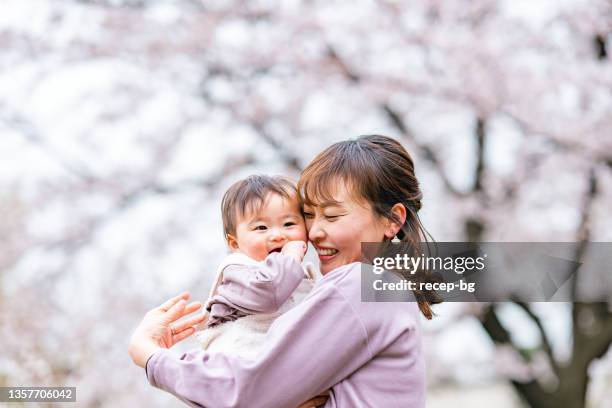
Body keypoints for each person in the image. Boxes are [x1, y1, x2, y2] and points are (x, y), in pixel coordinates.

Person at [129, 135, 438, 407]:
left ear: (392, 220)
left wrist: (150, 355)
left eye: (332, 215)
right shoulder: (389, 289)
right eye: (308, 215)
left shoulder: (362, 282)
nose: (314, 232)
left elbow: (246, 391)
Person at [197, 175, 315, 360]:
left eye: (289, 224)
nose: (277, 235)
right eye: (261, 228)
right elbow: (270, 292)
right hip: (240, 357)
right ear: (235, 243)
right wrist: (290, 257)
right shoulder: (238, 270)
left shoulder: (310, 276)